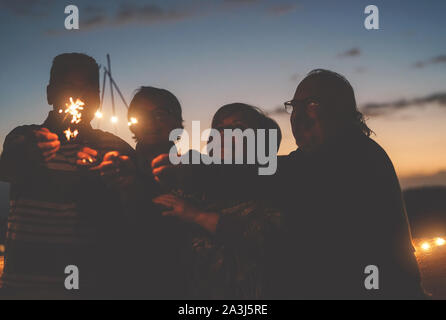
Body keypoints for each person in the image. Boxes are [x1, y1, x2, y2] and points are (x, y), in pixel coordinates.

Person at [278, 69, 423, 299]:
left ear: (341, 111)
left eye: (312, 103)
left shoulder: (352, 156)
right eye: (294, 106)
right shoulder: (338, 153)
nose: (298, 115)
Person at [0, 53, 135, 299]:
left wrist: (124, 183)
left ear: (98, 99)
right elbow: (7, 167)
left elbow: (137, 213)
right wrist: (27, 156)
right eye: (69, 88)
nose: (80, 98)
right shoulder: (24, 137)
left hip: (91, 288)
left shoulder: (115, 148)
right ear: (50, 94)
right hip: (23, 289)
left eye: (89, 90)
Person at [153, 103, 283, 299]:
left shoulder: (273, 190)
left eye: (238, 128)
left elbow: (267, 241)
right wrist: (130, 184)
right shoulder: (191, 191)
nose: (223, 133)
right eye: (218, 128)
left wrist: (198, 216)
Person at [81, 86, 189, 299]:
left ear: (178, 123)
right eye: (141, 115)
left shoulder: (195, 174)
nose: (150, 122)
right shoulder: (112, 167)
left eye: (160, 114)